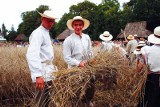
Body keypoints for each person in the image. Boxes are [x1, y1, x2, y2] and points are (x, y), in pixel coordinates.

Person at [26, 10, 58, 107]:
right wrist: (38, 75)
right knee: (40, 102)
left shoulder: (45, 32)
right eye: (49, 21)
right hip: (42, 72)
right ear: (42, 19)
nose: (51, 23)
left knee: (46, 101)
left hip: (48, 71)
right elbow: (31, 54)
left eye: (52, 21)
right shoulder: (38, 33)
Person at [63, 16, 94, 107]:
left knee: (90, 85)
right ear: (72, 26)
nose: (78, 27)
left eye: (80, 25)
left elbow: (90, 51)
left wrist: (91, 59)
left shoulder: (87, 37)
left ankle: (88, 101)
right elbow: (67, 57)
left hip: (87, 67)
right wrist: (78, 63)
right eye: (76, 25)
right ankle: (75, 103)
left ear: (83, 26)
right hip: (74, 70)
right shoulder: (68, 40)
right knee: (75, 89)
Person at [138, 26, 160, 107]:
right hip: (153, 78)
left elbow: (141, 66)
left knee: (150, 98)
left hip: (151, 79)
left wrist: (137, 73)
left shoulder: (146, 50)